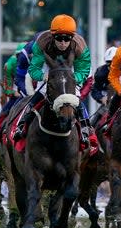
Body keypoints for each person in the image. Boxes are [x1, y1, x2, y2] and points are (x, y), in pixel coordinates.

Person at [11, 15, 94, 149]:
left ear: (72, 37)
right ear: (52, 36)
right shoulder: (42, 42)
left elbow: (83, 71)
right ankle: (20, 125)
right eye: (59, 38)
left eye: (67, 39)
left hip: (70, 69)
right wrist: (43, 76)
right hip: (47, 66)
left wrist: (72, 79)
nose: (63, 42)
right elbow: (33, 69)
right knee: (41, 93)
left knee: (75, 97)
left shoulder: (80, 46)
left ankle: (86, 130)